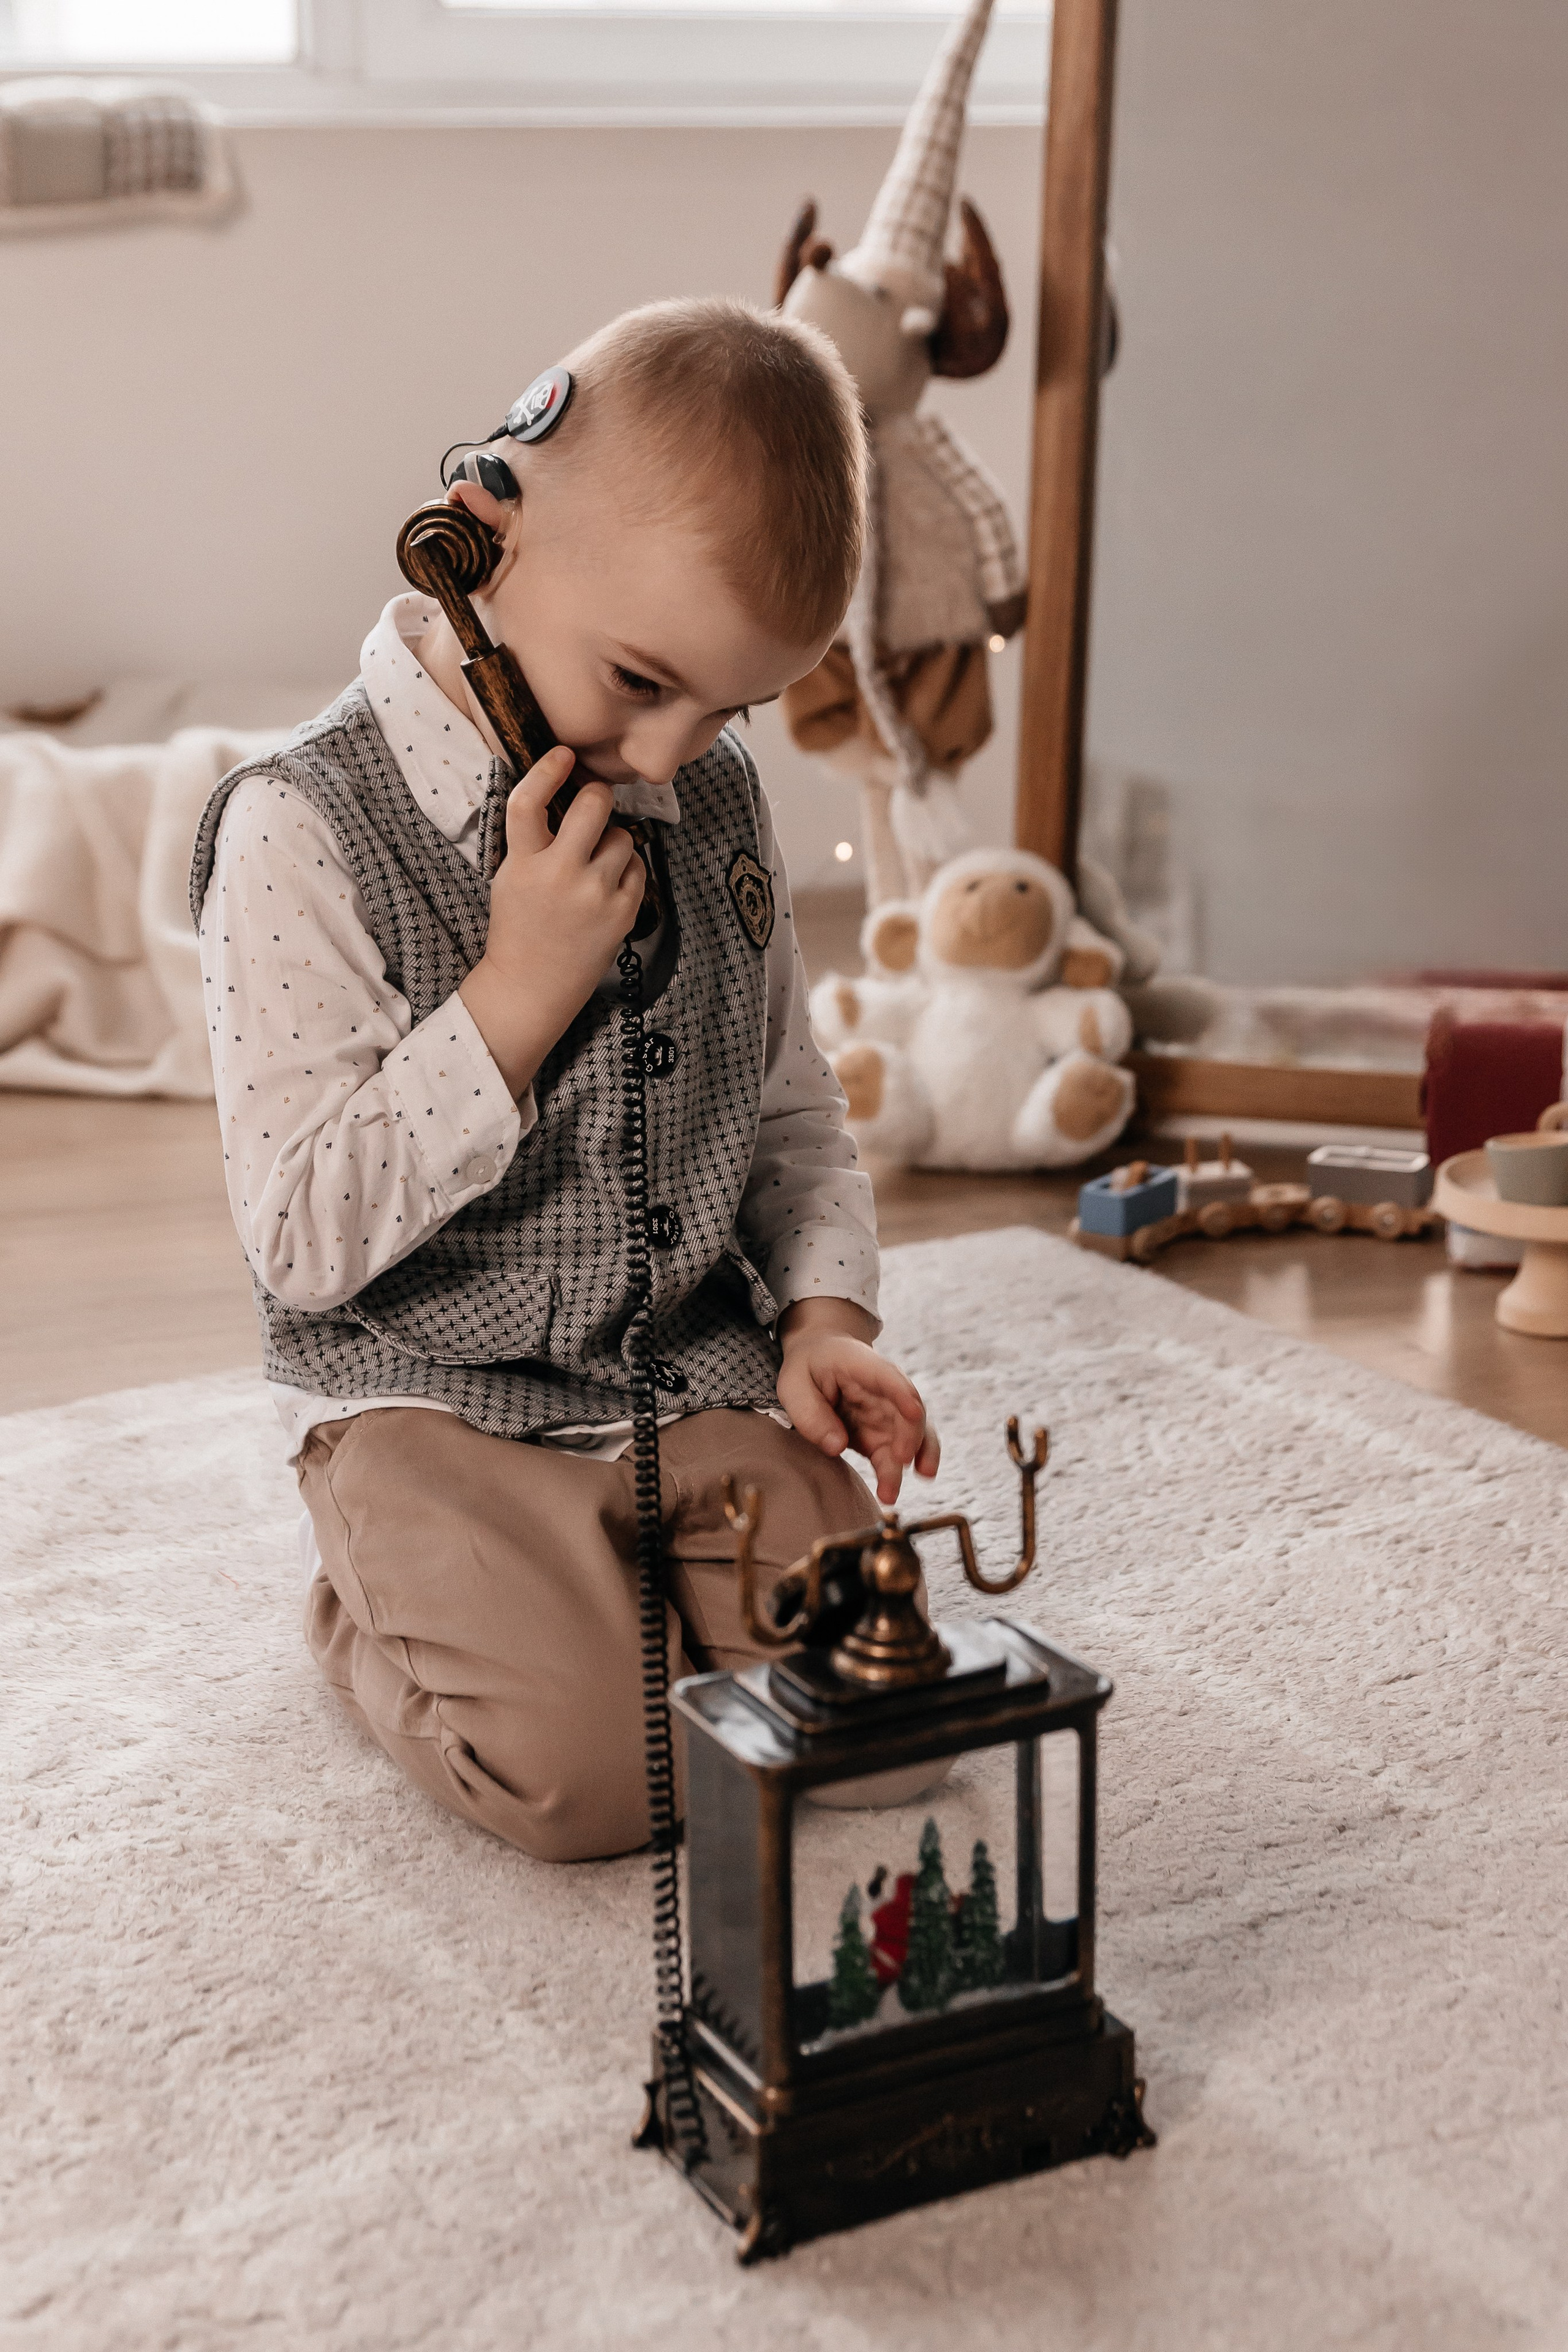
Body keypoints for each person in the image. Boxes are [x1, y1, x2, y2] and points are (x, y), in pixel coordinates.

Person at [190, 297, 940, 1861]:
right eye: (640, 681)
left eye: (726, 710)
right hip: (434, 1406)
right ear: (479, 539)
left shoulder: (706, 791)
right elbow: (303, 1238)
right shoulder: (297, 828)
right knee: (601, 1778)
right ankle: (371, 1611)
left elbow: (786, 1107)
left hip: (683, 1373)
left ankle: (606, 1599)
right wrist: (512, 999)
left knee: (882, 1717)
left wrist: (822, 1319)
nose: (668, 759)